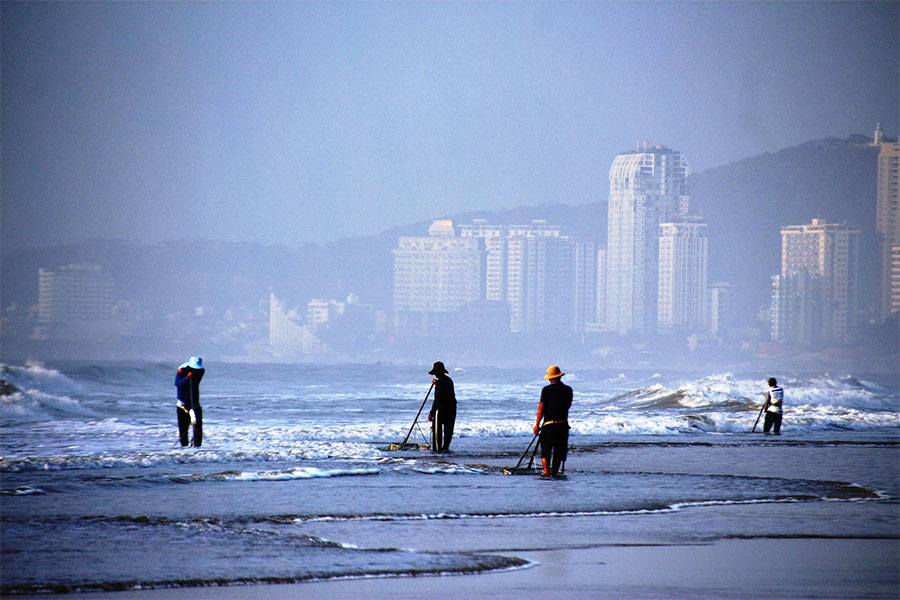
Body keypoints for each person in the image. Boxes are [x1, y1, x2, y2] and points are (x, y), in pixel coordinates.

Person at [534, 365, 572, 477]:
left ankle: (546, 471)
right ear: (560, 376)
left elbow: (541, 407)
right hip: (563, 425)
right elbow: (567, 406)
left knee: (546, 449)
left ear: (550, 378)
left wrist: (537, 424)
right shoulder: (568, 390)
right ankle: (555, 472)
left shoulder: (546, 390)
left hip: (549, 425)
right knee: (559, 451)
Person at [426, 361, 456, 453]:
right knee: (448, 431)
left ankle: (437, 450)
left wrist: (431, 413)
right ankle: (445, 448)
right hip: (451, 409)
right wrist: (437, 383)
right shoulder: (448, 380)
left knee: (437, 432)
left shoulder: (440, 383)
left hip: (441, 410)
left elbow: (438, 399)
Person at [175, 357, 205, 447]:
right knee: (183, 428)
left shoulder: (201, 371)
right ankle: (184, 448)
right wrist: (186, 378)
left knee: (198, 428)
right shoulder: (181, 371)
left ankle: (197, 448)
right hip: (182, 404)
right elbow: (178, 384)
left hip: (195, 404)